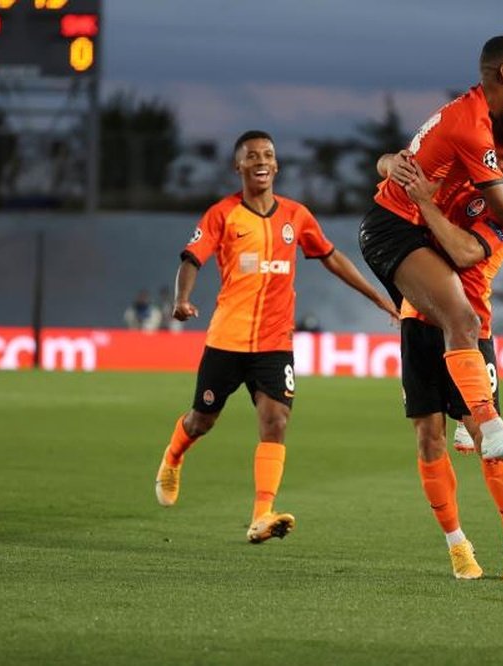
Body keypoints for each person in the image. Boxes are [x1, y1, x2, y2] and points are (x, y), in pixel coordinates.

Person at [154, 130, 398, 544]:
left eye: (268, 154)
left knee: (276, 420)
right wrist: (182, 299)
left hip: (274, 343)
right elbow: (192, 257)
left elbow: (332, 257)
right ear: (239, 166)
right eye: (252, 156)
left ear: (277, 165)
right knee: (202, 420)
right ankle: (173, 456)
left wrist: (378, 297)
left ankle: (261, 515)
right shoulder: (222, 215)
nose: (261, 161)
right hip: (227, 340)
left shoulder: (296, 216)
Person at [359, 35, 503, 461]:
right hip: (392, 231)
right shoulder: (473, 127)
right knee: (462, 317)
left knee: (455, 319)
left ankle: (467, 426)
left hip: (415, 228)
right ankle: (488, 427)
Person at [393, 112, 503, 582]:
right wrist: (394, 166)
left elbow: (463, 252)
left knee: (490, 440)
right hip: (417, 318)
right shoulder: (456, 175)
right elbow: (398, 167)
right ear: (487, 154)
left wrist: (427, 203)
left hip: (469, 328)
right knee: (427, 437)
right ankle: (457, 545)